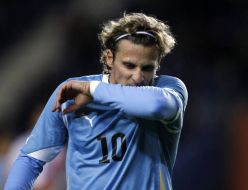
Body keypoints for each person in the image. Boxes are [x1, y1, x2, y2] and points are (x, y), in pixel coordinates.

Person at [4, 12, 188, 190]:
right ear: (109, 59)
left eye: (148, 68)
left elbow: (156, 106)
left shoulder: (169, 89)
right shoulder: (70, 93)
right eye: (129, 65)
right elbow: (31, 158)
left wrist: (92, 90)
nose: (138, 77)